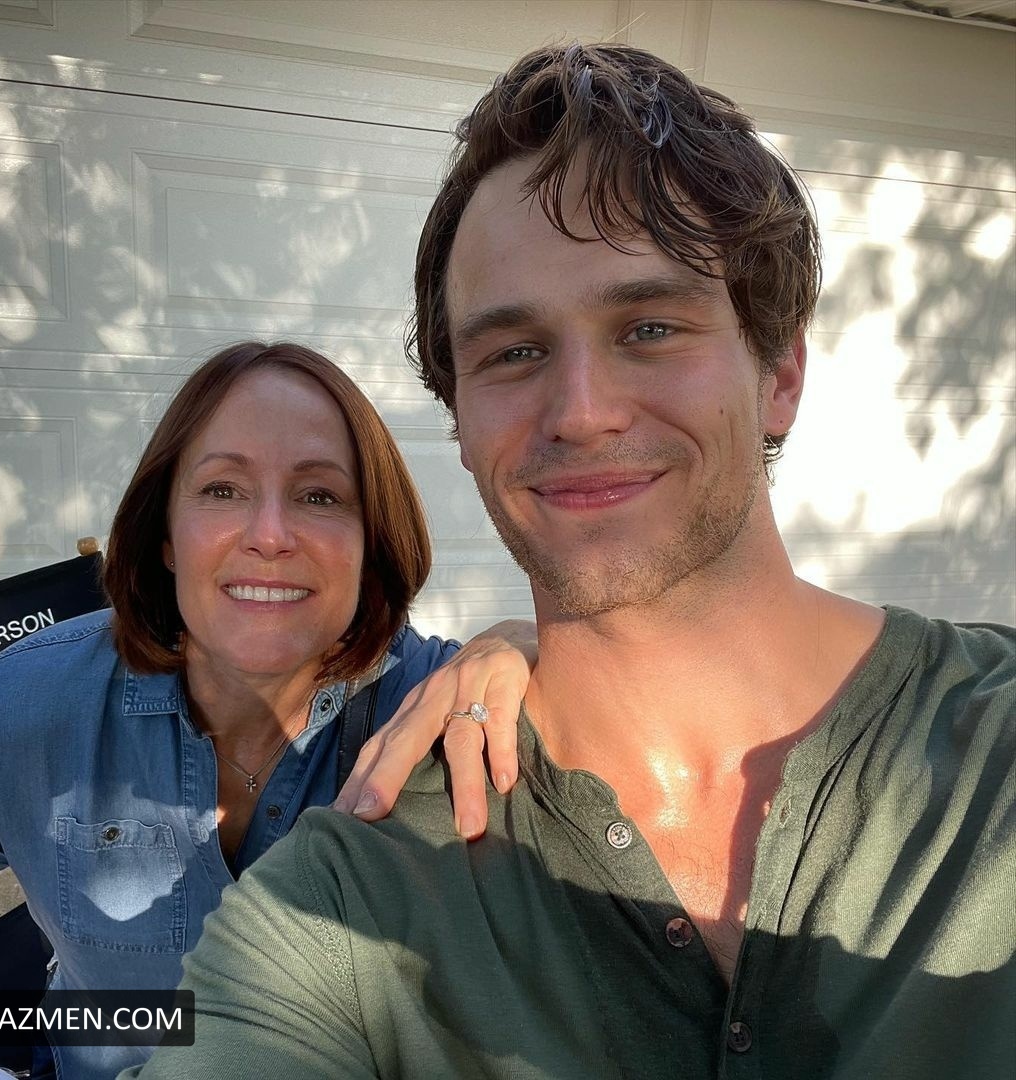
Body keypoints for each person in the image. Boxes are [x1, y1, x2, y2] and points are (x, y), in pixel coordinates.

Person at [131, 45, 1015, 1080]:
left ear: (779, 373)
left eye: (650, 327)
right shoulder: (340, 904)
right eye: (514, 352)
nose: (582, 411)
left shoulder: (992, 758)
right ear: (461, 421)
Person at [0, 340, 537, 1080]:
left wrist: (531, 645)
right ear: (164, 534)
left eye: (319, 496)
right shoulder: (27, 701)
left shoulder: (443, 714)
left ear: (371, 543)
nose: (270, 536)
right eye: (222, 489)